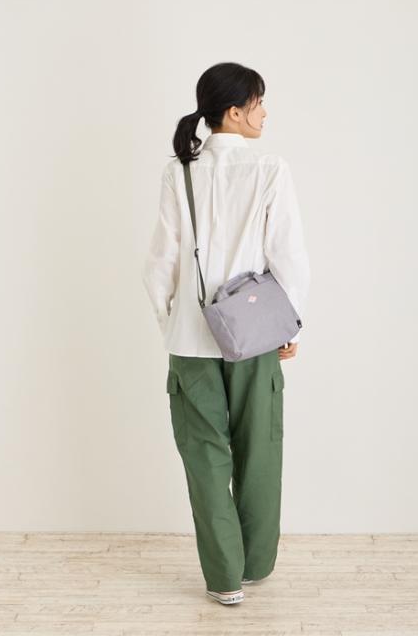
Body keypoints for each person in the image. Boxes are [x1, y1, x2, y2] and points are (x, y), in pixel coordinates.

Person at [142, 61, 310, 605]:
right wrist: (290, 324)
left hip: (190, 344)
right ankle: (255, 564)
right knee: (259, 450)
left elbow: (159, 266)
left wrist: (173, 325)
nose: (264, 113)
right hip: (254, 339)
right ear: (234, 112)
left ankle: (224, 580)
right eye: (258, 103)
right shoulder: (270, 169)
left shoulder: (179, 172)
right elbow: (289, 258)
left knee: (205, 457)